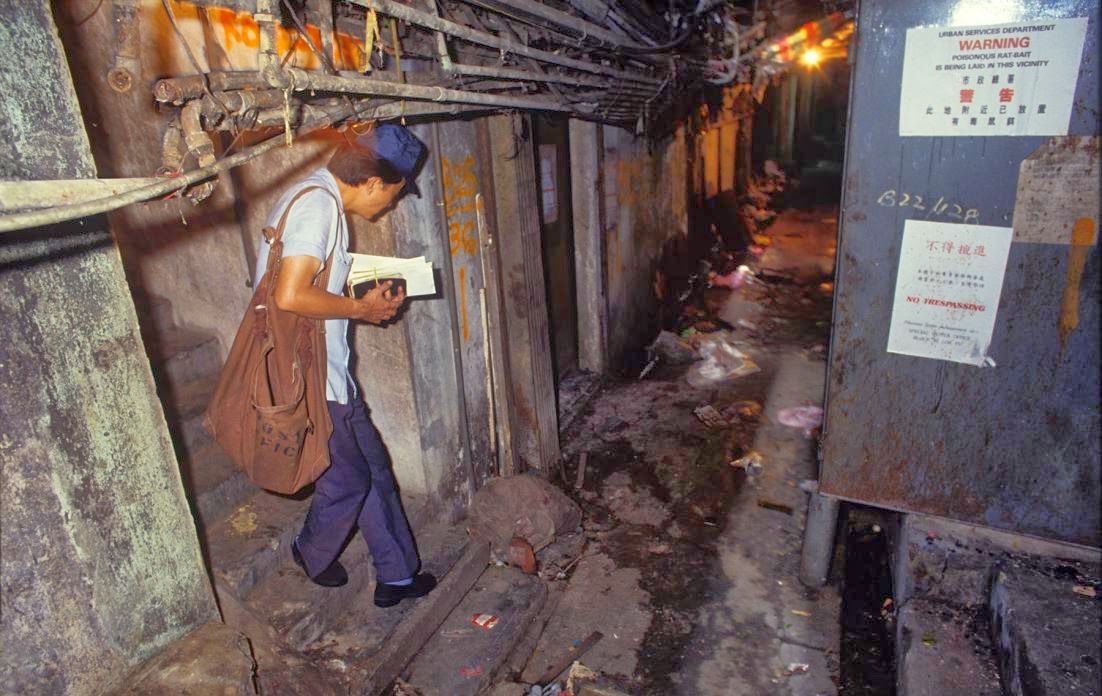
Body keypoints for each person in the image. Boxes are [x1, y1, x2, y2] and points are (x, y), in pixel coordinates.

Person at [254, 124, 435, 608]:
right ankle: (310, 551)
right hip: (310, 379)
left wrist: (358, 290)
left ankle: (397, 575)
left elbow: (309, 280)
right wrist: (362, 310)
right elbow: (290, 294)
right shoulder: (317, 207)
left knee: (373, 467)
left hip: (331, 369)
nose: (392, 205)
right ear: (374, 182)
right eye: (395, 194)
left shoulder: (318, 198)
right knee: (348, 479)